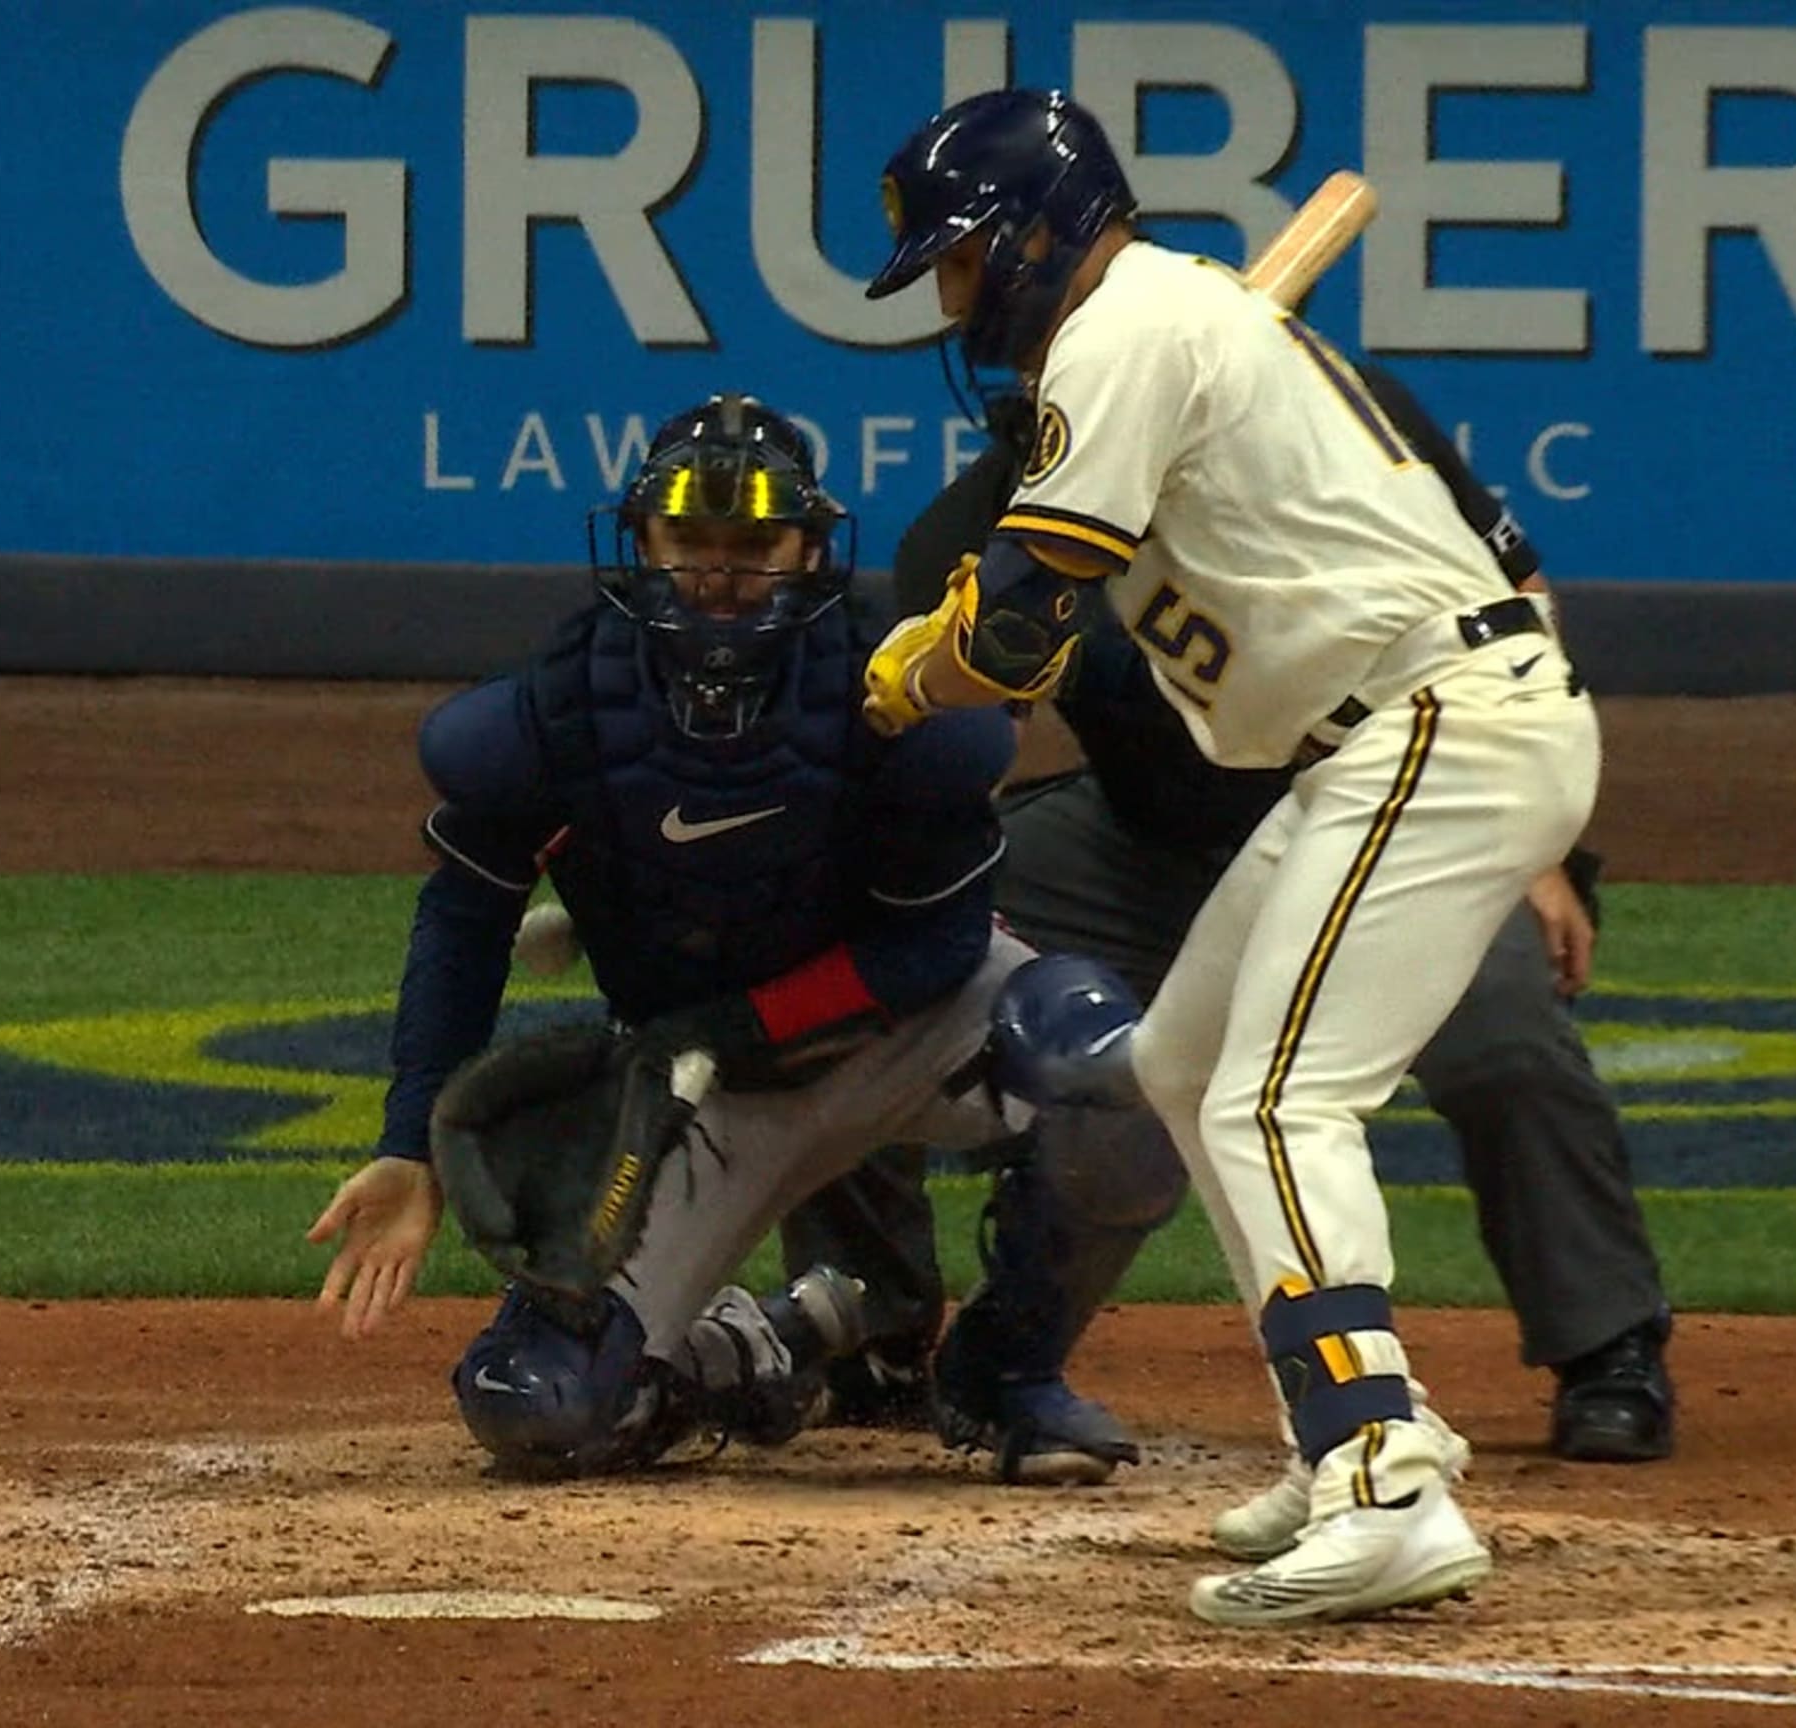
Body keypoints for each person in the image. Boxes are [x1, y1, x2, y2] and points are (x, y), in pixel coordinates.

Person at [855, 89, 1603, 1626]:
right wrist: (970, 622)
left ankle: (1383, 1475)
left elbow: (1011, 632)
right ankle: (1345, 1420)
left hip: (1440, 720)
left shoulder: (1124, 333)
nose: (948, 295)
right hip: (1384, 739)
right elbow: (1025, 590)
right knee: (1187, 1066)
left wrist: (918, 670)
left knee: (1278, 1096)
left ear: (1032, 236)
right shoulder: (1163, 330)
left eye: (956, 259)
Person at [783, 392, 1677, 1475]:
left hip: (1390, 804)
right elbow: (964, 751)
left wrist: (1535, 853)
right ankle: (864, 1320)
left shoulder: (1333, 422)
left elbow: (1510, 599)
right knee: (847, 938)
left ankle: (1607, 1350)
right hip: (1133, 840)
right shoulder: (975, 531)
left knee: (1503, 1039)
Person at [305, 392, 1177, 1485]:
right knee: (535, 1407)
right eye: (691, 541)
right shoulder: (553, 717)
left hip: (903, 1031)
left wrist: (733, 1021)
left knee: (1120, 1071)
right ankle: (770, 1344)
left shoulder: (899, 703)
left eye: (754, 541)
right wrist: (407, 1144)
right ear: (643, 545)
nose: (721, 570)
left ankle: (1006, 1370)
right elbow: (464, 919)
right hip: (707, 1088)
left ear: (809, 547)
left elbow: (936, 949)